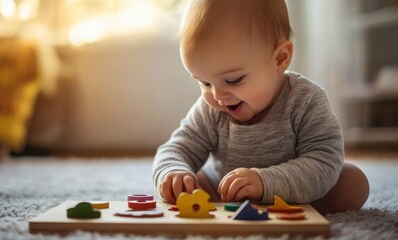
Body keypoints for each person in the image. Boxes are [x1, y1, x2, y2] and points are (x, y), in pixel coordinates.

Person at [152, 0, 369, 215]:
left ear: (280, 58)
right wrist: (173, 172)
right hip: (224, 191)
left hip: (290, 192)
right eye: (205, 83)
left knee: (352, 183)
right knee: (189, 182)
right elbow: (177, 148)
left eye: (234, 80)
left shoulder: (305, 99)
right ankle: (234, 208)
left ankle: (290, 209)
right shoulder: (211, 109)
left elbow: (323, 157)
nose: (218, 96)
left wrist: (264, 182)